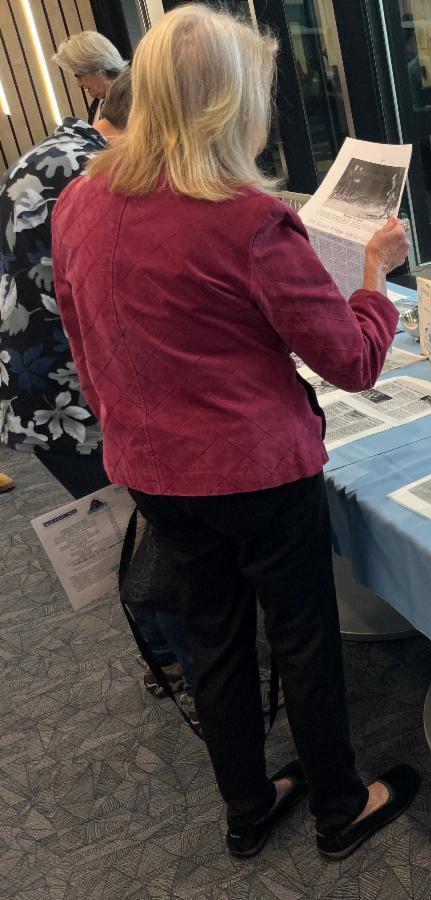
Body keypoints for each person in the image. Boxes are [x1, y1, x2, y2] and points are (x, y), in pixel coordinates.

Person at [51, 6, 419, 861]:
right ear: (231, 102)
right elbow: (355, 361)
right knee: (300, 634)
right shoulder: (244, 217)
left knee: (214, 635)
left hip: (151, 464)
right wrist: (373, 275)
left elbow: (83, 341)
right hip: (256, 470)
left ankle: (247, 808)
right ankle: (338, 805)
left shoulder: (81, 201)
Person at [0, 74, 199, 717]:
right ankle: (197, 678)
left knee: (122, 528)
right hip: (72, 396)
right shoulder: (95, 175)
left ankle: (163, 658)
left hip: (36, 389)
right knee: (150, 537)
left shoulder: (55, 153)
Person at [51, 31, 128, 124]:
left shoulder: (134, 100)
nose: (78, 84)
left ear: (98, 67)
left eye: (79, 75)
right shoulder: (97, 104)